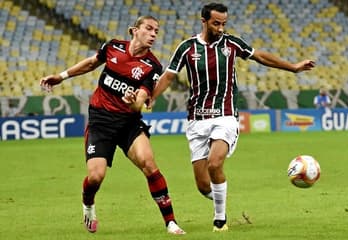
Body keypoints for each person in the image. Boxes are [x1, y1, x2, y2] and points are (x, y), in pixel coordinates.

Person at [151, 3, 315, 232]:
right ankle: (221, 197)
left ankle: (220, 220)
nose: (220, 28)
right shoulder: (186, 48)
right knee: (202, 185)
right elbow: (168, 76)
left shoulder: (231, 43)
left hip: (225, 115)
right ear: (204, 21)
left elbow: (260, 56)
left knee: (215, 163)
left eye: (224, 24)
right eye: (216, 23)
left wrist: (293, 67)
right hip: (196, 119)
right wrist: (151, 97)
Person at [39, 16, 185, 235]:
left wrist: (133, 100)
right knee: (96, 177)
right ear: (134, 30)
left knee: (149, 163)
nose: (154, 34)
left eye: (157, 30)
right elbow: (91, 63)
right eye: (149, 29)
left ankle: (171, 222)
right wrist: (62, 76)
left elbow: (140, 103)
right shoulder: (113, 47)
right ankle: (88, 204)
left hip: (129, 123)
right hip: (101, 121)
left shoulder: (152, 65)